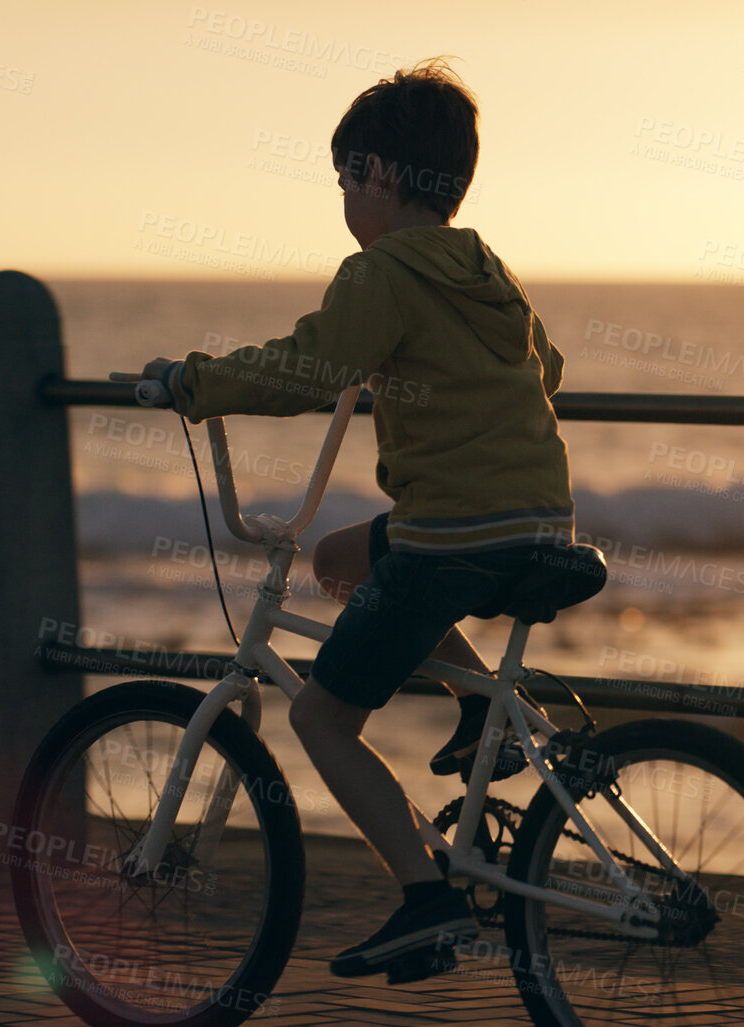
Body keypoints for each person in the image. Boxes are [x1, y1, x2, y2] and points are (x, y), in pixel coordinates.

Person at [140, 57, 574, 983]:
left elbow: (307, 365)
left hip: (452, 534)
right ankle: (478, 703)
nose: (343, 199)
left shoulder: (379, 272)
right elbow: (553, 370)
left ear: (377, 174)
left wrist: (194, 382)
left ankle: (425, 902)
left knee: (323, 717)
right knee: (343, 557)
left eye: (345, 178)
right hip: (536, 519)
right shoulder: (490, 273)